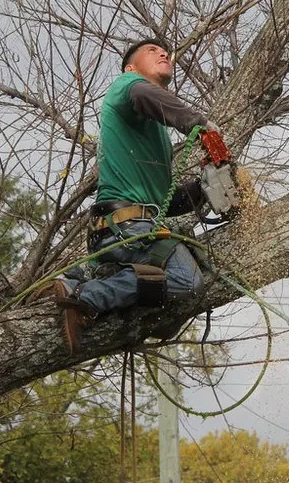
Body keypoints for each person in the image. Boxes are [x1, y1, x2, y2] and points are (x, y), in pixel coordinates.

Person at [45, 38, 218, 352]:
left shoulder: (155, 135)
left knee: (185, 270)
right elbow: (143, 93)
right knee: (187, 280)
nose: (163, 53)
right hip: (126, 227)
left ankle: (78, 280)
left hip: (127, 228)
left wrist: (204, 187)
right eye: (152, 51)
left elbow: (167, 199)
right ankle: (84, 296)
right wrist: (200, 125)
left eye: (165, 51)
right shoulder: (126, 87)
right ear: (131, 67)